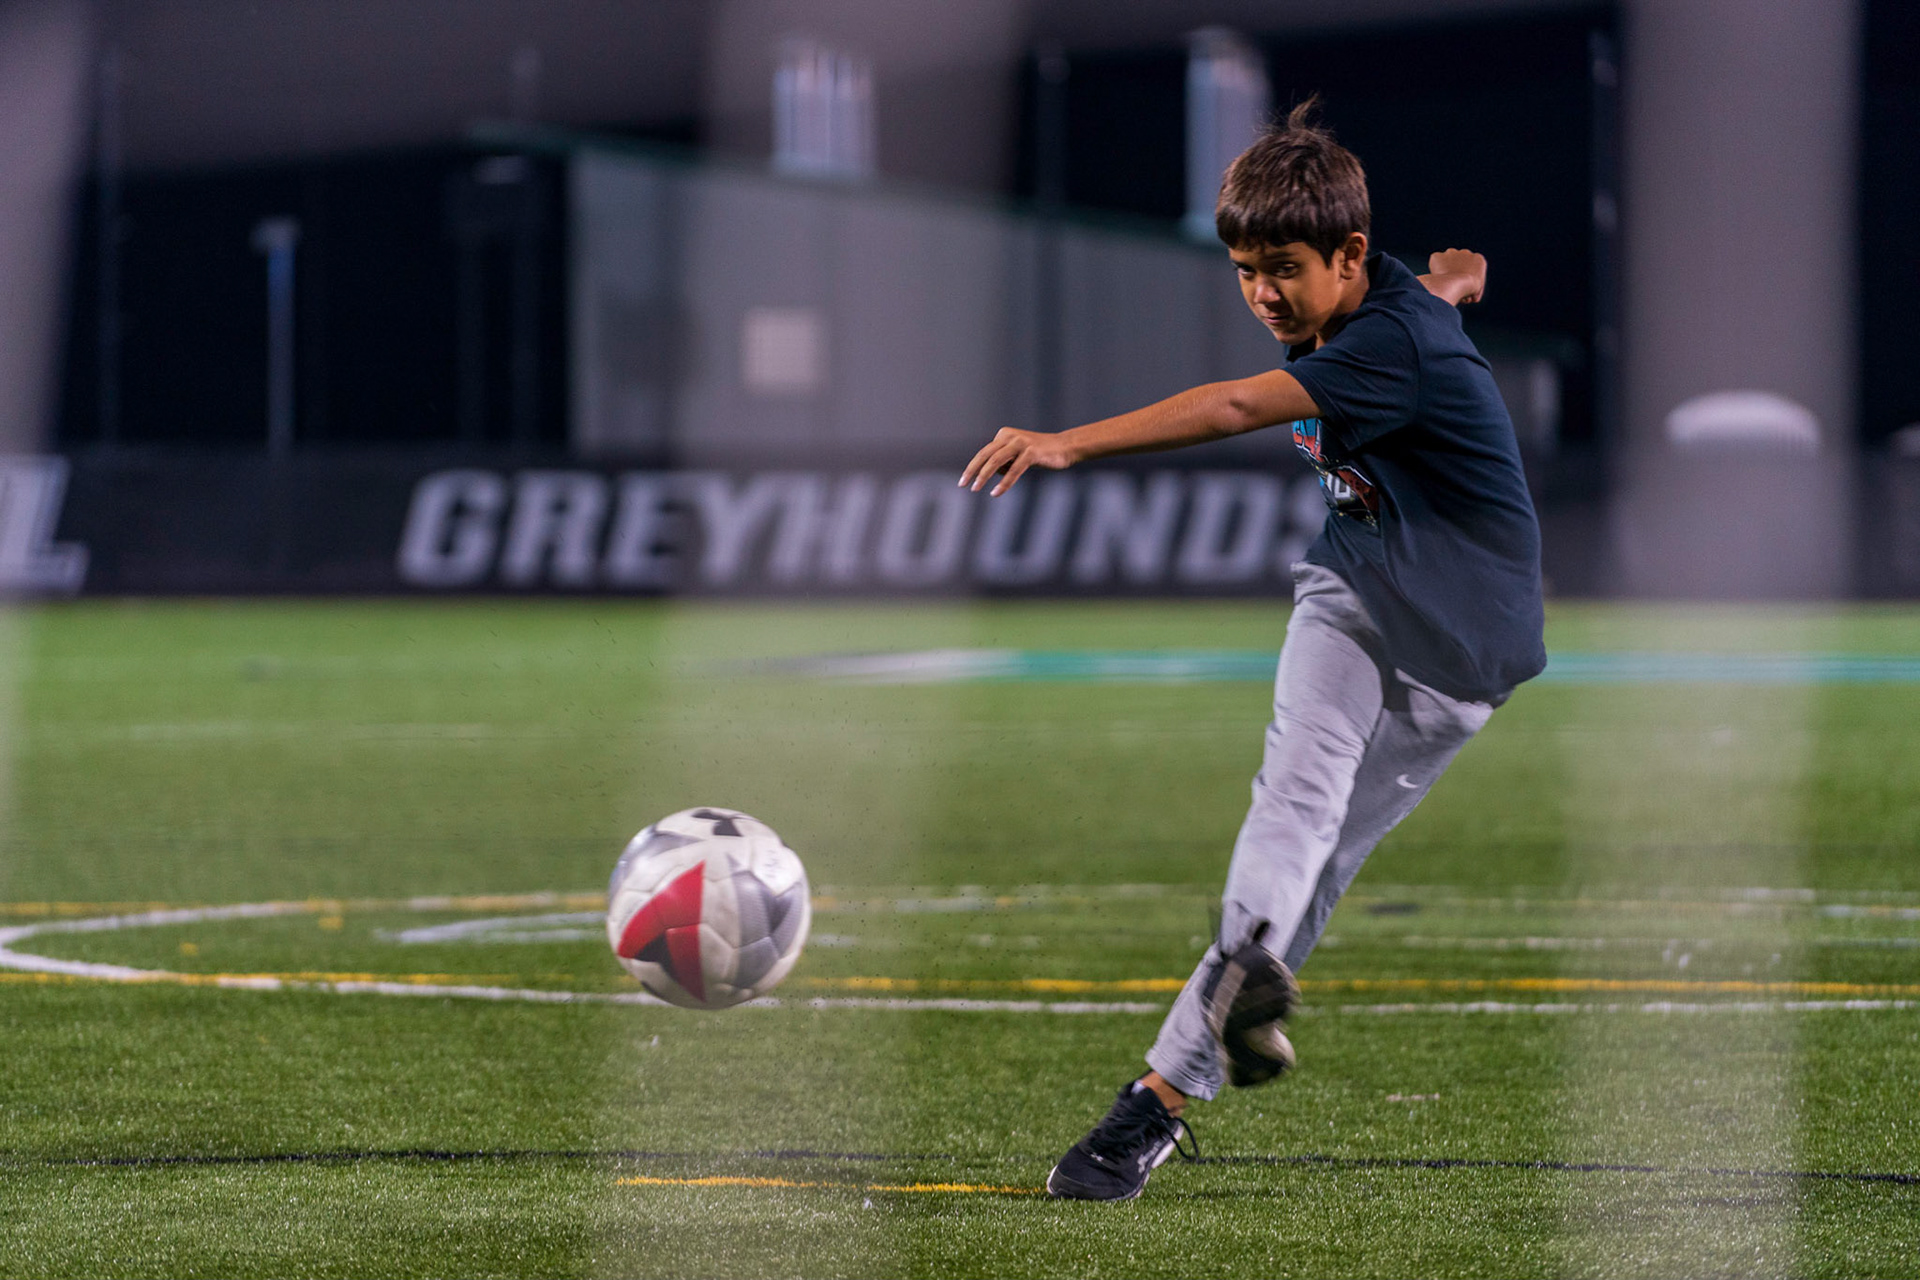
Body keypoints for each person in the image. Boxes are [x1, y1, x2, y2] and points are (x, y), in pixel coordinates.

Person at [957, 98, 1547, 1202]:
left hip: (1461, 652)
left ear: (1350, 255)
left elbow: (1235, 402)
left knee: (1318, 862)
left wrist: (1066, 440)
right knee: (1291, 805)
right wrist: (1457, 287)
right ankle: (1164, 1092)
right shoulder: (1386, 300)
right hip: (1355, 592)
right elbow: (1429, 297)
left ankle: (1222, 1007)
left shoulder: (1391, 346)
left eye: (1281, 266)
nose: (1263, 293)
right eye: (1243, 270)